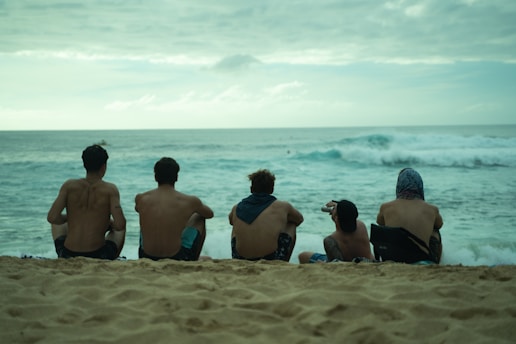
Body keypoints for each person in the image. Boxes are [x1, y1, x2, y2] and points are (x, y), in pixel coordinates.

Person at [47, 145, 126, 260]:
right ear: (104, 167)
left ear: (84, 165)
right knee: (121, 229)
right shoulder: (110, 189)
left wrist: (70, 217)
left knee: (57, 223)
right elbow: (120, 225)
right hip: (98, 255)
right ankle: (112, 260)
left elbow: (52, 218)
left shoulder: (69, 186)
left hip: (67, 253)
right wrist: (107, 222)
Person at [135, 157, 214, 261]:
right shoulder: (189, 201)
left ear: (155, 177)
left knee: (148, 219)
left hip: (146, 256)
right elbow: (209, 214)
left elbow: (137, 209)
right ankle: (194, 259)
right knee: (199, 217)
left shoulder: (141, 198)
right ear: (176, 177)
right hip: (176, 256)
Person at [229, 169, 304, 262]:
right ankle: (283, 262)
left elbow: (231, 222)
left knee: (236, 224)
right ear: (272, 189)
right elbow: (299, 219)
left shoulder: (236, 207)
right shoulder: (283, 206)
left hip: (240, 258)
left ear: (251, 189)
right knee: (291, 224)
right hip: (270, 258)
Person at [374, 167, 443, 263]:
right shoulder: (432, 209)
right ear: (419, 186)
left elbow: (379, 222)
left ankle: (380, 260)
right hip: (421, 259)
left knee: (382, 228)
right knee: (435, 232)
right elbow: (439, 225)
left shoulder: (386, 207)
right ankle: (435, 264)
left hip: (393, 258)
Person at [298, 200, 374, 263]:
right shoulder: (361, 226)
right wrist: (341, 207)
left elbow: (336, 264)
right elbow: (349, 214)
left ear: (336, 219)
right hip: (366, 262)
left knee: (303, 256)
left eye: (334, 209)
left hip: (345, 265)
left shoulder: (331, 240)